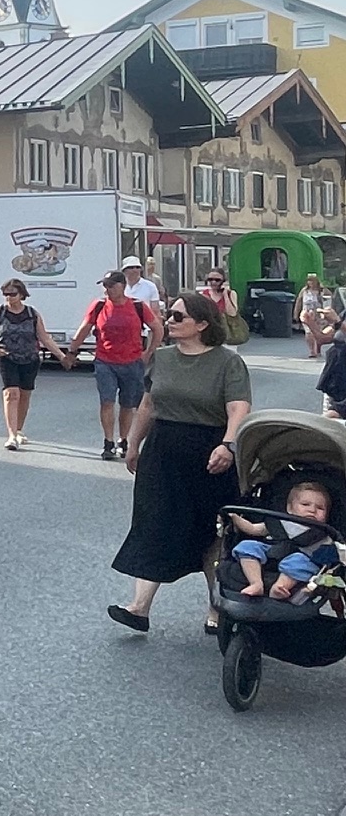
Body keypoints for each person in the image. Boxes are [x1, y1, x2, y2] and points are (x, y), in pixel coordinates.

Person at [107, 291, 253, 634]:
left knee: (212, 532)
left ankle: (217, 607)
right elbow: (148, 404)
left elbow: (239, 408)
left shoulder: (227, 362)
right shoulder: (163, 358)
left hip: (209, 454)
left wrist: (228, 445)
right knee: (154, 523)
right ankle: (139, 608)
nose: (168, 321)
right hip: (163, 451)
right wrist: (133, 444)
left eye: (177, 316)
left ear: (202, 324)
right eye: (168, 314)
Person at [69, 270, 165, 461]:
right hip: (105, 361)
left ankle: (123, 439)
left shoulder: (137, 306)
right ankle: (108, 442)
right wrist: (71, 351)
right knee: (107, 401)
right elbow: (85, 328)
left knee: (127, 404)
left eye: (111, 285)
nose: (107, 289)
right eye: (105, 286)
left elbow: (158, 328)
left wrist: (149, 352)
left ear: (122, 286)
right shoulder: (99, 306)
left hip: (132, 362)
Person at [0, 279, 73, 449]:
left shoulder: (32, 313)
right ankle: (11, 436)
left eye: (12, 294)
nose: (9, 297)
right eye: (6, 294)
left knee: (24, 395)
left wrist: (61, 356)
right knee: (11, 394)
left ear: (21, 294)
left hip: (30, 358)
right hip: (6, 357)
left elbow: (44, 338)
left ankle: (19, 430)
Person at [229, 482, 339, 600]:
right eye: (305, 504)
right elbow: (253, 529)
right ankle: (256, 583)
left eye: (320, 508)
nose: (312, 510)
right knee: (247, 546)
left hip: (300, 561)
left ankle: (280, 587)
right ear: (290, 508)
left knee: (299, 561)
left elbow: (332, 555)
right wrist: (235, 518)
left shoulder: (324, 534)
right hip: (271, 551)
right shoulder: (280, 522)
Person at [301, 273, 331, 359]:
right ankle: (312, 351)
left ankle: (317, 349)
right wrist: (296, 313)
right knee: (309, 332)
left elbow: (329, 298)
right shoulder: (304, 290)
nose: (311, 282)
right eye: (309, 280)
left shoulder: (322, 290)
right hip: (306, 314)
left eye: (312, 280)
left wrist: (326, 310)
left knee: (317, 333)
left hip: (318, 314)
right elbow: (299, 301)